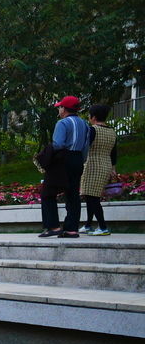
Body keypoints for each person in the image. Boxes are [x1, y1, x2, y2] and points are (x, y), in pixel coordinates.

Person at [39, 95, 90, 238]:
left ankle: (53, 226)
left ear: (64, 109)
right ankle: (71, 229)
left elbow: (58, 144)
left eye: (60, 107)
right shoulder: (85, 124)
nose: (59, 109)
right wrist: (80, 159)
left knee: (48, 192)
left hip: (62, 159)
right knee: (73, 194)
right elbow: (86, 147)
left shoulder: (62, 123)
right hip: (78, 159)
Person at [79, 104, 118, 236]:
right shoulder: (112, 131)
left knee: (92, 197)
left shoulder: (92, 130)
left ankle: (103, 227)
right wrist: (113, 168)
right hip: (106, 164)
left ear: (93, 117)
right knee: (91, 195)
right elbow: (114, 152)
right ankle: (88, 224)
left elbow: (85, 148)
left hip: (92, 164)